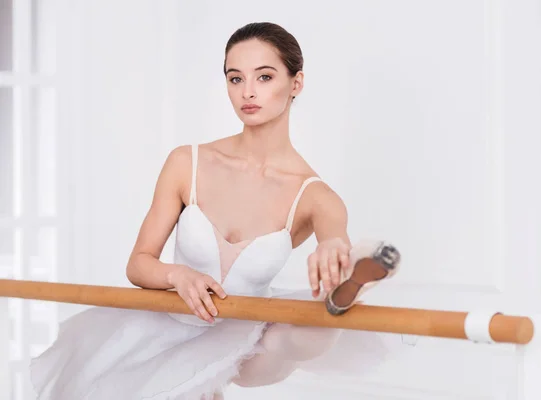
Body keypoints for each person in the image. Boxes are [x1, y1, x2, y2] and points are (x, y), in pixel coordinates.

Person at [30, 22, 400, 399]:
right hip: (167, 330)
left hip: (247, 339)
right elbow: (138, 263)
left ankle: (348, 282)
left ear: (296, 83)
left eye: (265, 76)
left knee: (292, 336)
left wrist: (332, 248)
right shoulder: (186, 162)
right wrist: (177, 274)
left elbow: (333, 231)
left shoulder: (316, 196)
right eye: (235, 79)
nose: (248, 92)